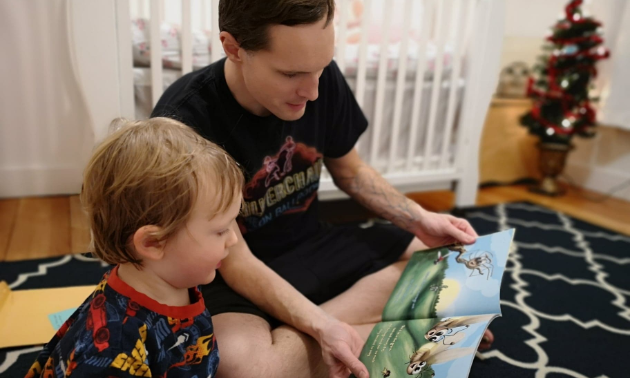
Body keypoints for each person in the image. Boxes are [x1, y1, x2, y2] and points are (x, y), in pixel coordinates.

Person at [152, 1, 492, 377]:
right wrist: (319, 325)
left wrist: (420, 220)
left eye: (321, 68)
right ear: (234, 48)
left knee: (458, 263)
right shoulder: (184, 124)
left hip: (313, 246)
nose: (312, 92)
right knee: (244, 367)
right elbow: (237, 261)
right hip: (237, 272)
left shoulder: (319, 77)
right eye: (291, 73)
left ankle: (318, 339)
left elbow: (351, 172)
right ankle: (389, 330)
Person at [25, 118, 244, 377]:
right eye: (220, 230)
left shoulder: (173, 275)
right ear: (153, 243)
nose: (233, 240)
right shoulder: (113, 351)